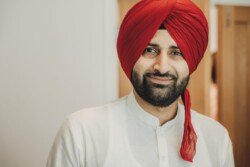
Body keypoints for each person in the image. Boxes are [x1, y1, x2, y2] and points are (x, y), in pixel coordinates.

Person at [46, 0, 235, 166]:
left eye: (176, 53)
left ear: (190, 62)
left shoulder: (217, 139)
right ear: (131, 54)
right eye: (150, 50)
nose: (162, 67)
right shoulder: (81, 132)